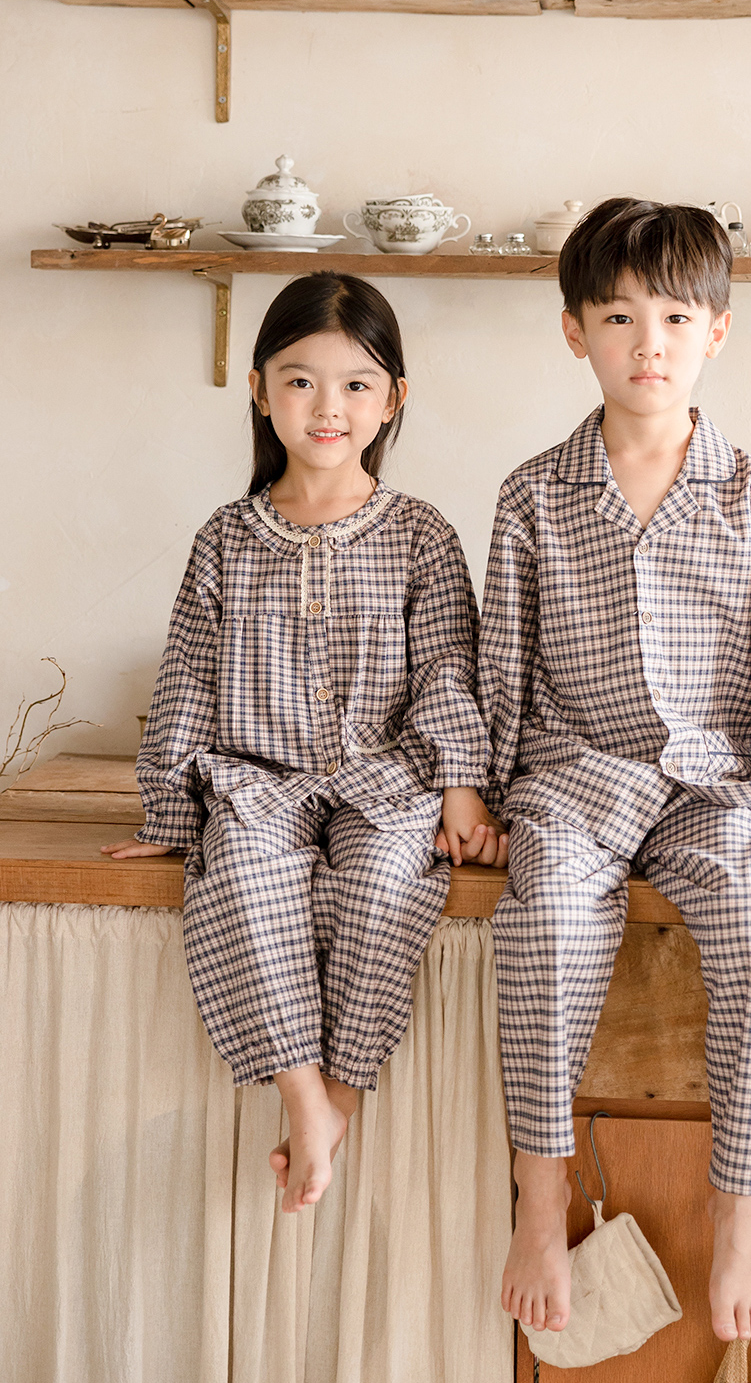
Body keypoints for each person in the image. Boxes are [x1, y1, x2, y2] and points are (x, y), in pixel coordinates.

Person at [479, 198, 751, 1345]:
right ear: (574, 332)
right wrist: (483, 796)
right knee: (543, 924)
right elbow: (501, 661)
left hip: (709, 790)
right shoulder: (533, 495)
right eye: (618, 317)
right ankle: (538, 1194)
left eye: (676, 317)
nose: (649, 342)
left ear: (716, 332)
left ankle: (741, 1207)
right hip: (572, 781)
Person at [102, 272, 507, 1213]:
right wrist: (171, 812)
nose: (328, 407)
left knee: (385, 884)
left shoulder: (422, 535)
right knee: (240, 874)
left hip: (387, 781)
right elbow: (188, 679)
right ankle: (302, 1095)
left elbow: (449, 669)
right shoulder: (225, 540)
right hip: (257, 779)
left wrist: (460, 785)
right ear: (259, 390)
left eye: (356, 384)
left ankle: (341, 1099)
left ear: (392, 399)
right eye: (300, 381)